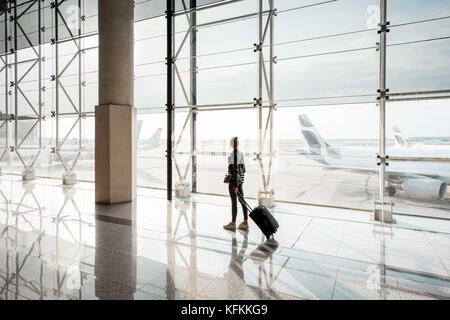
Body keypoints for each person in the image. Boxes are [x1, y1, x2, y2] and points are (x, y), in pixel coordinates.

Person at [223, 137, 249, 231]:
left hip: (234, 182)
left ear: (231, 144)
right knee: (242, 201)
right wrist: (240, 182)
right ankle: (245, 222)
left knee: (234, 202)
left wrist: (235, 185)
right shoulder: (240, 153)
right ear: (237, 144)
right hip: (240, 181)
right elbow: (243, 170)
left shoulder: (232, 155)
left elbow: (234, 171)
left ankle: (233, 223)